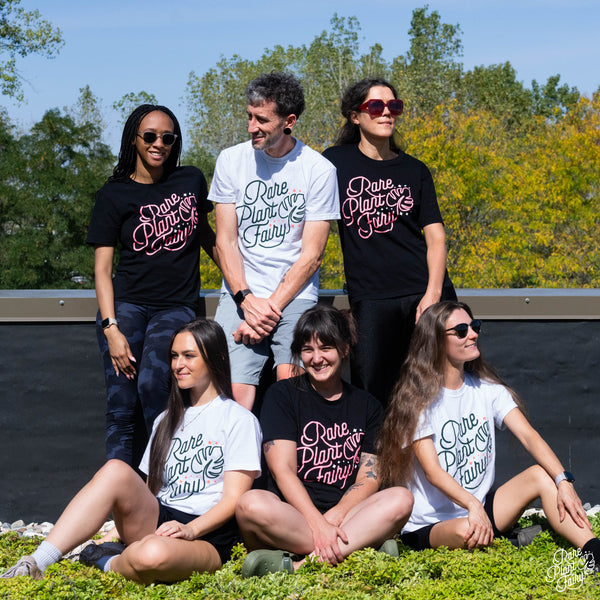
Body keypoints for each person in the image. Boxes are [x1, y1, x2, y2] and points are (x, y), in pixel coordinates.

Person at [1, 319, 262, 584]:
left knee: (152, 555)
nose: (178, 365)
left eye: (189, 356)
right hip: (161, 518)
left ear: (216, 358)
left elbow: (234, 499)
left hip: (209, 535)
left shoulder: (239, 420)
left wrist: (190, 529)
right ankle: (35, 562)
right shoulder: (166, 420)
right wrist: (113, 533)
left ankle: (103, 560)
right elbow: (150, 490)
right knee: (116, 469)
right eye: (174, 356)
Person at [376, 300, 600, 569]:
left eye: (474, 326)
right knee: (466, 530)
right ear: (436, 341)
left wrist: (563, 481)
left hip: (481, 508)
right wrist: (472, 505)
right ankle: (513, 539)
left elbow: (528, 436)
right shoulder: (418, 402)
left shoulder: (488, 390)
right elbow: (433, 472)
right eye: (461, 331)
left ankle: (593, 551)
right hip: (432, 522)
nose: (472, 334)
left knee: (542, 475)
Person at [235, 305, 413, 577]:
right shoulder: (282, 395)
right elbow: (283, 471)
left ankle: (302, 565)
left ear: (345, 348)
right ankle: (359, 547)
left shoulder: (368, 406)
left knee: (401, 498)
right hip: (293, 515)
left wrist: (335, 516)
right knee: (250, 504)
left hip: (346, 515)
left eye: (326, 348)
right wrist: (317, 524)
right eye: (308, 350)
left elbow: (369, 478)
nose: (317, 358)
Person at [86, 104, 218, 467]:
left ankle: (163, 481)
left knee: (153, 385)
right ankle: (121, 489)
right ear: (134, 139)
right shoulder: (113, 194)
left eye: (167, 137)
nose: (159, 143)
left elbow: (208, 239)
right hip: (126, 305)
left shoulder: (190, 180)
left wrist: (242, 288)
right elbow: (102, 270)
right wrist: (111, 328)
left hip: (176, 306)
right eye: (150, 136)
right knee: (121, 403)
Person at [210, 72, 340, 410]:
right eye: (249, 116)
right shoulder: (230, 160)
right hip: (241, 292)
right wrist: (246, 299)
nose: (251, 127)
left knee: (292, 386)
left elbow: (312, 256)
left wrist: (270, 311)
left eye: (262, 120)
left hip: (294, 295)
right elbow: (225, 242)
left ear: (289, 122)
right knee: (235, 395)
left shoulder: (319, 170)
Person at [322, 78, 456, 407]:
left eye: (393, 106)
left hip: (423, 292)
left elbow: (436, 236)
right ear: (355, 116)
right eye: (376, 106)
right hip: (371, 298)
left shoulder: (414, 170)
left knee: (437, 391)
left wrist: (432, 296)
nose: (386, 113)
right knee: (373, 395)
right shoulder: (333, 163)